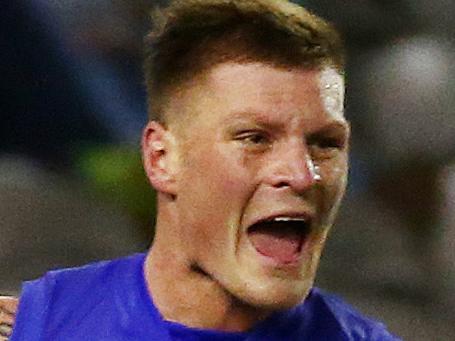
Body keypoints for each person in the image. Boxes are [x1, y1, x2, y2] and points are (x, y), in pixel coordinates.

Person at [2, 0, 400, 339]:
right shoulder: (45, 320)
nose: (303, 174)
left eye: (326, 143)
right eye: (254, 138)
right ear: (161, 159)